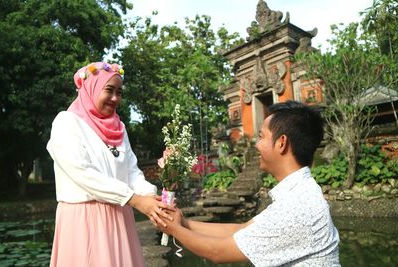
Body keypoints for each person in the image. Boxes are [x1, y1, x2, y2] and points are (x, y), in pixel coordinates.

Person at [159, 101, 341, 266]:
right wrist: (182, 222)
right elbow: (241, 229)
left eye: (261, 137)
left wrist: (174, 229)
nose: (255, 144)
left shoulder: (297, 207)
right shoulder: (301, 193)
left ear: (281, 143)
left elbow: (218, 252)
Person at [47, 62, 173, 267]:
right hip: (84, 221)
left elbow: (131, 171)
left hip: (120, 216)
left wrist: (151, 199)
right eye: (109, 90)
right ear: (91, 89)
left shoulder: (119, 127)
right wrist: (134, 199)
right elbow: (83, 174)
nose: (115, 98)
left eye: (119, 92)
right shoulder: (67, 123)